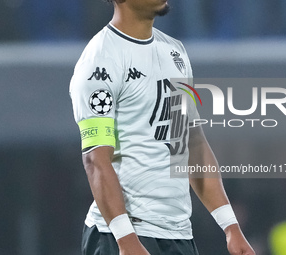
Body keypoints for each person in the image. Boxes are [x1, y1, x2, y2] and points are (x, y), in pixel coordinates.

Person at [69, 0, 256, 254]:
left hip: (178, 237)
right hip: (120, 237)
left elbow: (190, 146)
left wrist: (230, 227)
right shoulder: (100, 59)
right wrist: (126, 240)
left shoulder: (174, 51)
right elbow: (95, 160)